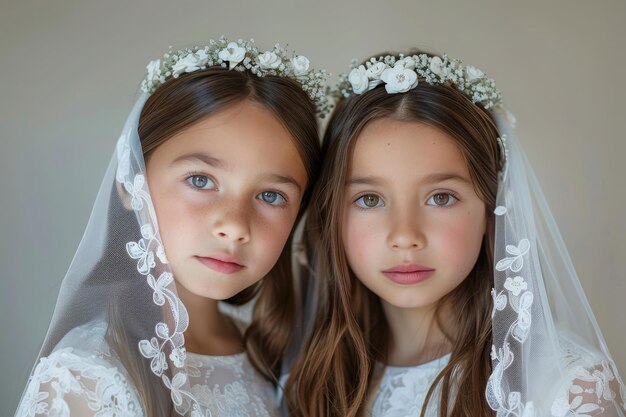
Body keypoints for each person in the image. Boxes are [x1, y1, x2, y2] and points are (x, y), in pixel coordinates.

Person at [285, 50, 626, 417]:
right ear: (332, 211)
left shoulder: (567, 389)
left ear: (492, 211)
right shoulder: (310, 376)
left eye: (440, 197)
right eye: (369, 199)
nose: (405, 236)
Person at [14, 36, 328, 417]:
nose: (233, 225)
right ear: (132, 182)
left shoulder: (276, 356)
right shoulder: (90, 376)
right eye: (200, 180)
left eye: (271, 196)